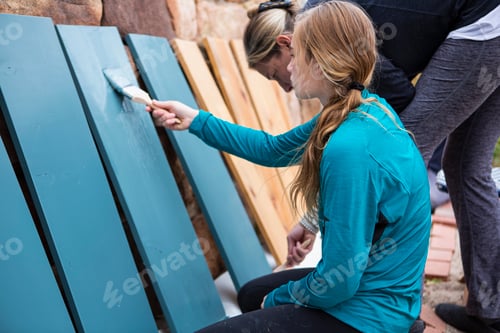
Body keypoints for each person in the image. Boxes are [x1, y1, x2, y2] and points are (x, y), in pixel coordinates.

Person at [147, 2, 431, 332]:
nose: (289, 66)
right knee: (252, 294)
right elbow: (271, 149)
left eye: (296, 55)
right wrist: (196, 120)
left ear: (321, 63)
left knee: (260, 302)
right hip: (379, 286)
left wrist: (284, 296)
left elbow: (340, 282)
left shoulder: (349, 146)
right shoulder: (357, 108)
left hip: (370, 312)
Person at [246, 1, 500, 332]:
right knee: (466, 166)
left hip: (484, 25)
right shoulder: (324, 18)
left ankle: (397, 309)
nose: (285, 85)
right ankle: (489, 306)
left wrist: (313, 217)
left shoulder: (328, 30)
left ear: (286, 44)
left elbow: (397, 103)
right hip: (488, 22)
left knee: (408, 145)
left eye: (274, 73)